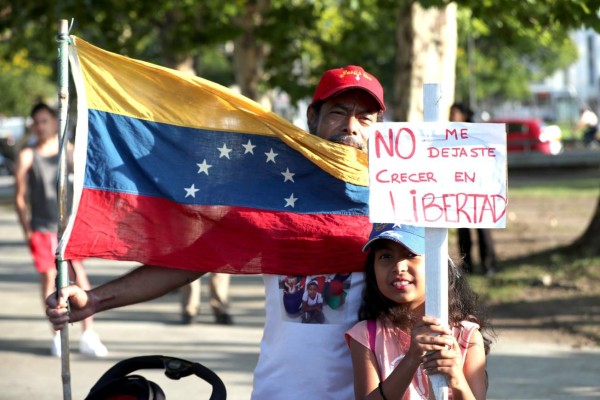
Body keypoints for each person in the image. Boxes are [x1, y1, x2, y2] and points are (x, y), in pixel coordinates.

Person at [46, 65, 385, 399]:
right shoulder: (275, 193)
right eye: (339, 113)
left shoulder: (393, 198)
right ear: (313, 117)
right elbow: (190, 259)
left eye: (365, 117)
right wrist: (94, 299)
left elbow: (425, 290)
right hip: (275, 392)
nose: (351, 127)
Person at [346, 223, 493, 399]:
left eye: (411, 254)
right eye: (386, 256)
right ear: (372, 271)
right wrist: (411, 358)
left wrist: (456, 378)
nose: (398, 267)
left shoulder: (466, 336)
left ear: (438, 264)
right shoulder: (366, 336)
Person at [14, 102, 108, 358]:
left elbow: (86, 182)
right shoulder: (27, 155)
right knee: (49, 279)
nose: (40, 125)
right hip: (42, 227)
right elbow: (20, 197)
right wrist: (27, 230)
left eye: (45, 120)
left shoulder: (67, 151)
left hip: (67, 228)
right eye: (37, 121)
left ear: (55, 122)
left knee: (79, 277)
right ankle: (57, 334)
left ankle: (88, 333)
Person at [449, 102, 497, 275]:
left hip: (478, 190)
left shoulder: (477, 133)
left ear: (464, 114)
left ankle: (489, 264)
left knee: (483, 229)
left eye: (455, 112)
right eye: (451, 113)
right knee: (463, 232)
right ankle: (467, 264)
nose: (452, 116)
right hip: (459, 190)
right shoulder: (448, 135)